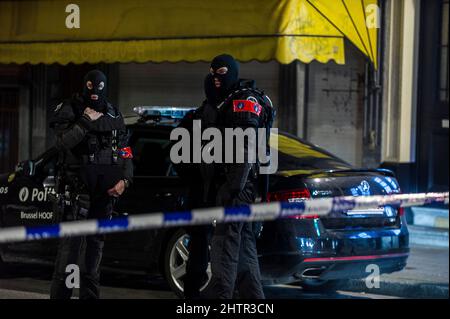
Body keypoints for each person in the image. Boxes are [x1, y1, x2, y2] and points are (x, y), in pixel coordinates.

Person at [49, 69, 133, 299]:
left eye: (99, 87)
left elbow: (125, 151)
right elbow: (62, 143)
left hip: (104, 195)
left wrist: (125, 180)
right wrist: (85, 121)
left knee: (93, 257)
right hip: (77, 192)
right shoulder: (70, 109)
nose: (94, 92)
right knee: (68, 257)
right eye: (90, 87)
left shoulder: (114, 113)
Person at [205, 54, 274, 299]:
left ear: (232, 72)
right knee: (244, 248)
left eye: (221, 72)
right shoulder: (231, 99)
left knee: (225, 247)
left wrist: (232, 187)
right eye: (212, 72)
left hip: (238, 186)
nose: (215, 77)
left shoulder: (242, 101)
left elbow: (248, 147)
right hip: (242, 186)